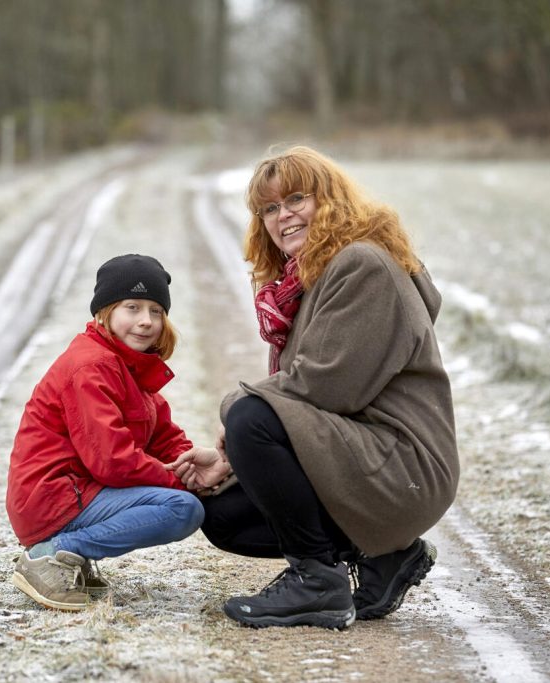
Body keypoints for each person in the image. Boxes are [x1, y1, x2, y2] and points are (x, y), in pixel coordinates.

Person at [167, 146, 459, 630]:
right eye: (269, 209)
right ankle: (386, 560)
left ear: (330, 199)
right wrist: (236, 460)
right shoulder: (307, 281)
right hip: (366, 458)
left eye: (296, 199)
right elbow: (306, 406)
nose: (283, 217)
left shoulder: (362, 264)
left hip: (404, 465)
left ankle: (317, 582)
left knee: (249, 416)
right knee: (224, 516)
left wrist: (237, 415)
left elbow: (325, 387)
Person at [6, 254, 214, 612]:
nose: (146, 321)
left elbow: (163, 435)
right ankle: (51, 555)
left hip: (76, 490)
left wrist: (189, 465)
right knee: (182, 509)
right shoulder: (92, 366)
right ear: (105, 311)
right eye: (132, 307)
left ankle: (70, 557)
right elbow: (112, 462)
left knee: (186, 498)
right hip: (53, 495)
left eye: (156, 311)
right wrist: (178, 482)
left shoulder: (128, 364)